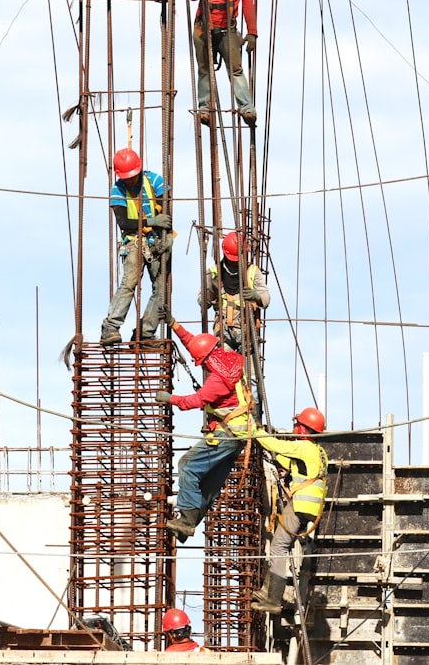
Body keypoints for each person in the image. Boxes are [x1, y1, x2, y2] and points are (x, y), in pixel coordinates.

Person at [159, 320, 256, 540]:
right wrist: (174, 325)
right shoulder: (229, 361)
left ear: (207, 360)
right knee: (210, 482)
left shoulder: (217, 380)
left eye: (201, 363)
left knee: (188, 465)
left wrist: (170, 399)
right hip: (237, 435)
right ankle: (189, 522)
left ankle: (186, 518)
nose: (201, 366)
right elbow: (197, 344)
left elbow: (196, 400)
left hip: (227, 434)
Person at [251, 408, 329, 615]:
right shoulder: (318, 451)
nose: (294, 428)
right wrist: (276, 459)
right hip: (310, 508)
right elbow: (290, 462)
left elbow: (277, 445)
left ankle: (273, 600)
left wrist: (255, 431)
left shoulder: (303, 446)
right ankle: (268, 590)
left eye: (297, 425)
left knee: (278, 547)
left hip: (300, 504)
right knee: (282, 544)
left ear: (303, 429)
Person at [101, 148, 171, 344]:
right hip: (134, 242)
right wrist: (151, 222)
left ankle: (145, 333)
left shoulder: (155, 181)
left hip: (156, 242)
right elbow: (123, 223)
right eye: (127, 177)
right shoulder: (117, 190)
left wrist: (167, 233)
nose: (130, 180)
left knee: (162, 289)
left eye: (132, 176)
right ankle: (110, 327)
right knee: (129, 283)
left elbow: (166, 210)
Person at [187, 0, 258, 126]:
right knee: (204, 70)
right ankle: (205, 108)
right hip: (204, 28)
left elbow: (248, 4)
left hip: (227, 30)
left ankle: (246, 108)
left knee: (235, 70)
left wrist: (252, 32)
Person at [199, 230, 270, 352]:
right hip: (223, 331)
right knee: (226, 369)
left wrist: (255, 296)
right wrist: (212, 293)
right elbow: (202, 303)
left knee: (251, 371)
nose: (235, 262)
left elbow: (266, 299)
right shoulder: (213, 273)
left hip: (247, 330)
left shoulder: (252, 271)